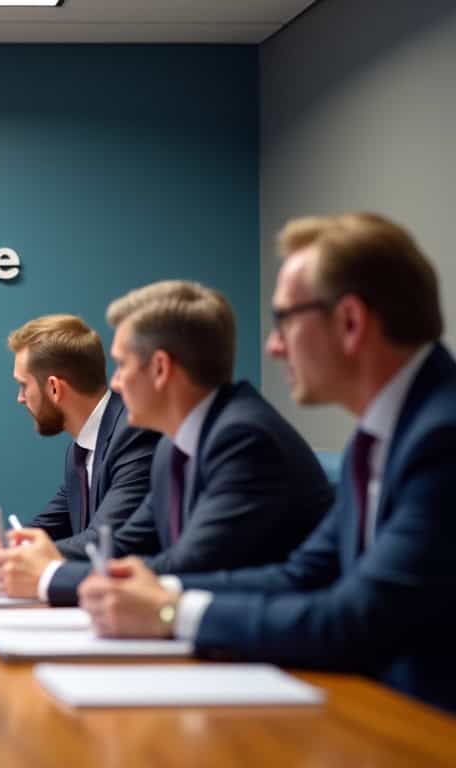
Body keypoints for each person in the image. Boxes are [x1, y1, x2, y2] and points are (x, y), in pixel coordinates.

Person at [79, 213, 456, 713]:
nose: (274, 346)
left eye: (284, 321)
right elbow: (302, 574)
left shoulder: (442, 438)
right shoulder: (382, 434)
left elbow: (358, 620)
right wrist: (157, 590)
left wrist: (172, 611)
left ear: (350, 322)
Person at [0, 280, 332, 606]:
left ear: (160, 369)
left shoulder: (244, 438)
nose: (115, 384)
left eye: (122, 365)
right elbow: (126, 543)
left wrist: (48, 576)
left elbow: (189, 566)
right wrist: (34, 558)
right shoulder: (173, 446)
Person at [0, 315, 158, 580]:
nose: (20, 398)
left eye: (23, 385)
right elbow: (51, 528)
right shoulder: (80, 450)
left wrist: (6, 557)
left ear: (54, 388)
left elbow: (102, 541)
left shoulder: (133, 434)